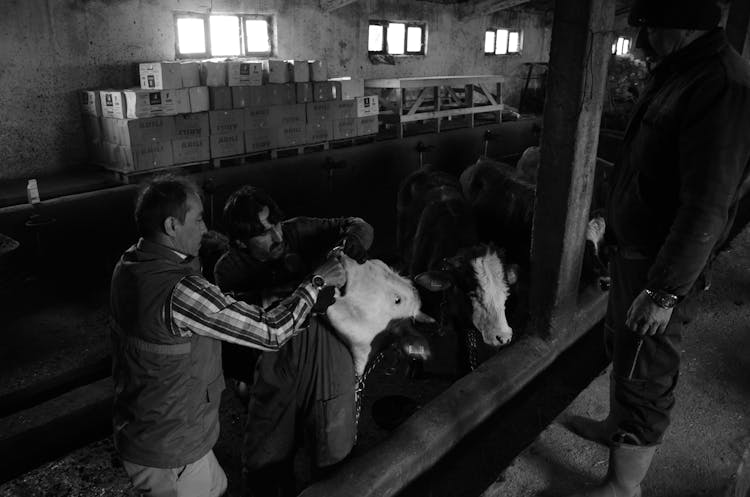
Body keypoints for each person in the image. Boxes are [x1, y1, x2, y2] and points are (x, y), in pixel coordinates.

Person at [565, 1, 750, 496]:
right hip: (636, 250)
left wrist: (665, 292)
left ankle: (623, 487)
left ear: (685, 26)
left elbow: (706, 207)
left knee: (646, 367)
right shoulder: (681, 71)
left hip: (659, 264)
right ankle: (614, 427)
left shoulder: (720, 86)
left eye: (651, 29)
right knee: (622, 347)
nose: (642, 42)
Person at [109, 175, 346, 497]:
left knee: (218, 486)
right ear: (171, 226)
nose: (205, 229)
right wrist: (316, 282)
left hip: (160, 425)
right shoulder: (181, 290)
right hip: (169, 445)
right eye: (198, 219)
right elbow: (271, 332)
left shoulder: (130, 264)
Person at [213, 185, 373, 497]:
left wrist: (344, 247)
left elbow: (360, 225)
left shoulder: (297, 230)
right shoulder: (228, 270)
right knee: (269, 456)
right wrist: (306, 285)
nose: (276, 237)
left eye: (274, 224)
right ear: (239, 243)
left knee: (332, 443)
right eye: (262, 233)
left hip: (325, 345)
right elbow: (242, 332)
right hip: (272, 360)